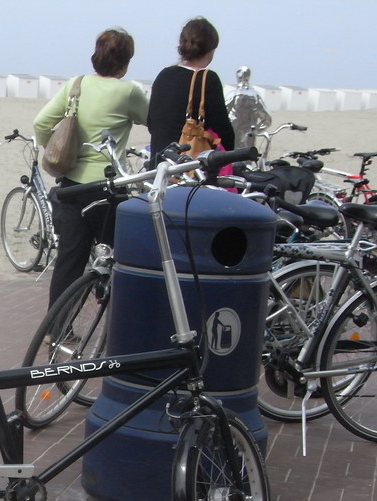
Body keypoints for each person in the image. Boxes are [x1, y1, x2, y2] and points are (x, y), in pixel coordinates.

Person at [34, 28, 147, 309]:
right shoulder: (128, 92)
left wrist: (54, 151)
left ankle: (57, 326)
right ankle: (115, 319)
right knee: (122, 258)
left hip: (72, 186)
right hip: (109, 188)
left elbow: (40, 123)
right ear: (126, 61)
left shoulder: (76, 85)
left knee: (68, 261)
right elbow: (154, 120)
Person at [147, 17, 234, 163]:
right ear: (210, 49)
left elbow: (152, 123)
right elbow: (223, 132)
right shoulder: (207, 79)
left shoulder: (164, 75)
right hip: (186, 168)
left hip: (158, 165)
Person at [227, 66, 272, 149]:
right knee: (247, 154)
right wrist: (256, 129)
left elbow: (220, 115)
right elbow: (267, 119)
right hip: (249, 137)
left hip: (231, 137)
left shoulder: (232, 95)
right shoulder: (254, 96)